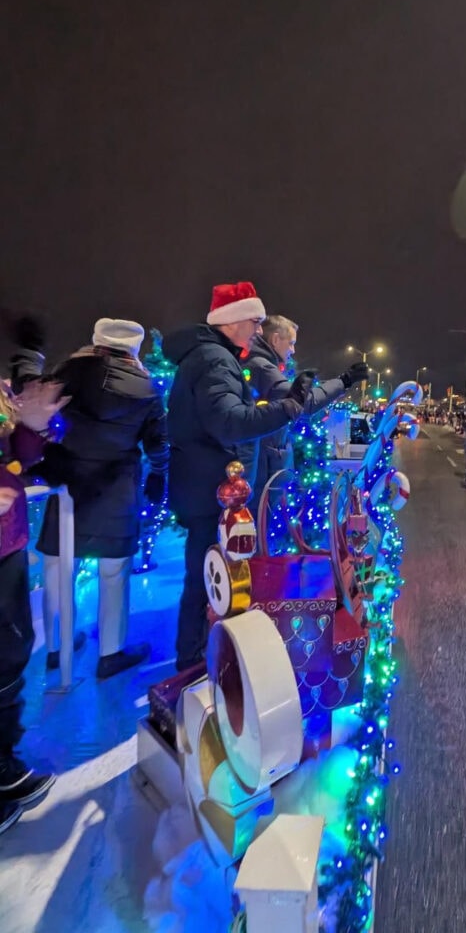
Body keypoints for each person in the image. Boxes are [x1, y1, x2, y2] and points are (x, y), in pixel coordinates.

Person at [165, 282, 311, 671]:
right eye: (255, 321)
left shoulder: (209, 355)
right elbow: (230, 422)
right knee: (208, 575)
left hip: (199, 483)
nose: (259, 330)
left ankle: (196, 655)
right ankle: (194, 663)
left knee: (205, 573)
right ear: (232, 322)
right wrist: (289, 407)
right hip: (209, 488)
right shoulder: (215, 360)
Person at [37, 319, 169, 679]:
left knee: (59, 566)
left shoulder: (66, 372)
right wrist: (159, 474)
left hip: (67, 481)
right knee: (114, 573)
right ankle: (110, 653)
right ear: (134, 349)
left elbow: (37, 416)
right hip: (117, 488)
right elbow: (157, 443)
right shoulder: (146, 386)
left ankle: (55, 645)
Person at [0, 379, 68, 834]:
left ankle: (4, 761)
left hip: (6, 536)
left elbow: (20, 453)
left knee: (11, 648)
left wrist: (33, 425)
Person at [245, 314, 368, 493]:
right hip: (266, 468)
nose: (293, 350)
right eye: (291, 343)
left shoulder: (261, 365)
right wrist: (344, 381)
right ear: (275, 339)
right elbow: (304, 403)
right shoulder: (264, 368)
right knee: (266, 517)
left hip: (267, 462)